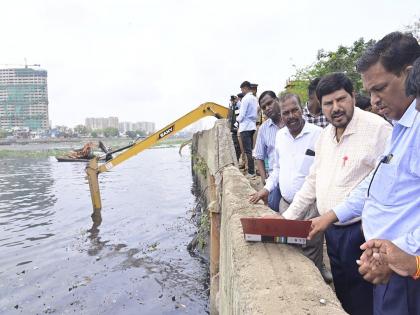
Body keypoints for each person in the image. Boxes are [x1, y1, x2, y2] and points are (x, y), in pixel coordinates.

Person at [308, 32, 420, 315]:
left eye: (380, 88)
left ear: (409, 74)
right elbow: (374, 185)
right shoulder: (399, 129)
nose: (375, 100)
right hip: (383, 260)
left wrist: (407, 260)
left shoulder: (405, 129)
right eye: (370, 91)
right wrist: (331, 216)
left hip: (404, 270)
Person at [279, 73, 391, 315]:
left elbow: (379, 186)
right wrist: (287, 219)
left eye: (341, 99)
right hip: (332, 230)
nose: (336, 108)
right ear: (321, 105)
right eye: (328, 103)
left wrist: (330, 216)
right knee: (342, 290)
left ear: (353, 96)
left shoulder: (378, 130)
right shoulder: (325, 137)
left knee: (366, 295)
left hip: (363, 231)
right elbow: (313, 180)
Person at [250, 93, 332, 283]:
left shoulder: (318, 134)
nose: (291, 116)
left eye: (295, 110)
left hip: (312, 206)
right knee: (290, 248)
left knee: (312, 244)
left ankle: (317, 274)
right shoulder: (280, 136)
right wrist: (267, 188)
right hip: (285, 204)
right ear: (282, 114)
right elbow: (277, 169)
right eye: (286, 112)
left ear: (302, 109)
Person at [252, 91, 283, 212]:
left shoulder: (292, 123)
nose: (267, 108)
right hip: (274, 178)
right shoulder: (264, 129)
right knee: (273, 208)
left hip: (293, 176)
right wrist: (265, 181)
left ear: (278, 100)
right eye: (264, 107)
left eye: (269, 103)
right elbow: (259, 156)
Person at [237, 81, 258, 178]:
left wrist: (237, 120)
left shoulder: (245, 99)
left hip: (245, 127)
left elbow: (242, 115)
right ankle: (252, 170)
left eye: (242, 89)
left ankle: (251, 171)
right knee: (251, 149)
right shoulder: (254, 98)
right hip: (252, 126)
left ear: (245, 88)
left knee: (247, 150)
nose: (242, 91)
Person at [228, 95, 241, 161]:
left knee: (237, 146)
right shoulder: (231, 108)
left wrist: (236, 126)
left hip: (236, 129)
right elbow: (229, 118)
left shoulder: (238, 107)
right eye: (231, 100)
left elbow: (238, 118)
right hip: (233, 130)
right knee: (234, 146)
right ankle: (236, 159)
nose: (232, 101)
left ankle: (237, 160)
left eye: (233, 100)